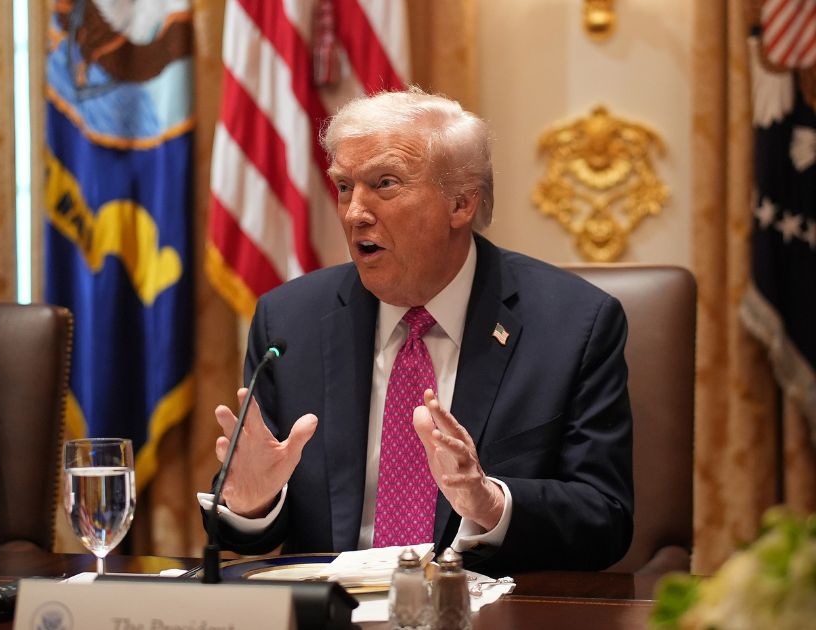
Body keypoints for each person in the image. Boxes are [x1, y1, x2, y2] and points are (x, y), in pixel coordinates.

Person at [202, 87, 633, 575]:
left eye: (384, 184)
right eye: (345, 186)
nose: (354, 212)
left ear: (461, 204)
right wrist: (253, 503)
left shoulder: (573, 325)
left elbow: (605, 520)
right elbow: (243, 532)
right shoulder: (290, 320)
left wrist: (490, 503)